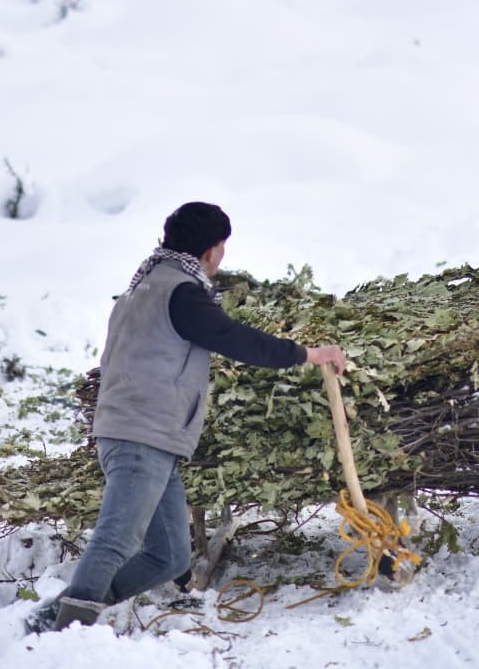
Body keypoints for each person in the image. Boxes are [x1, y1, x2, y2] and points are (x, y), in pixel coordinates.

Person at [26, 201, 346, 632]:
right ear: (212, 251)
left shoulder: (141, 288)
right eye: (222, 248)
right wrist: (307, 354)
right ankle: (63, 634)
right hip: (142, 435)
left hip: (144, 435)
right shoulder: (180, 292)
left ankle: (59, 616)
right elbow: (232, 338)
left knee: (170, 555)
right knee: (117, 537)